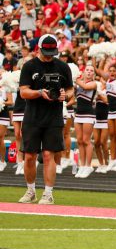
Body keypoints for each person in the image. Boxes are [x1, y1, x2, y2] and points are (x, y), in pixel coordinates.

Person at [18, 34, 74, 205]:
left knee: (49, 155)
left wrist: (65, 95)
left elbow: (71, 89)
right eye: (46, 51)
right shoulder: (29, 66)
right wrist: (40, 92)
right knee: (29, 156)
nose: (49, 55)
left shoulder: (63, 67)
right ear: (39, 49)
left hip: (53, 117)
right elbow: (23, 91)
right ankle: (30, 190)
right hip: (33, 116)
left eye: (52, 52)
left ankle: (48, 193)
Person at [73, 64, 97, 178]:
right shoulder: (78, 85)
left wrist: (75, 79)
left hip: (88, 114)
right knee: (80, 141)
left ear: (93, 74)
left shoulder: (93, 84)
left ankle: (88, 166)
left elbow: (86, 87)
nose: (89, 72)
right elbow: (72, 96)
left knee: (86, 140)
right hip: (78, 114)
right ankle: (82, 166)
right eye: (87, 70)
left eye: (91, 70)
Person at [92, 80, 110, 173]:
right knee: (96, 142)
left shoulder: (109, 89)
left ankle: (107, 163)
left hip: (106, 119)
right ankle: (101, 163)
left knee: (103, 142)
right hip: (96, 118)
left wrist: (100, 97)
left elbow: (108, 101)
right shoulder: (95, 90)